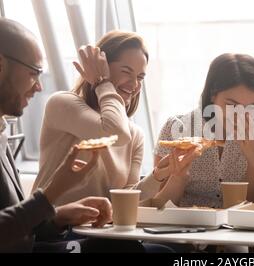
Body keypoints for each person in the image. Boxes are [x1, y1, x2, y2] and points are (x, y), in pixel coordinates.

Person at [0, 17, 110, 252]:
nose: (39, 86)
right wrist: (52, 193)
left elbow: (15, 226)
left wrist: (59, 216)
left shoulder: (2, 131)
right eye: (33, 72)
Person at [32, 30, 165, 205]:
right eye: (126, 71)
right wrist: (102, 82)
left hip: (98, 230)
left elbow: (127, 201)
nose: (134, 84)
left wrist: (159, 175)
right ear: (101, 67)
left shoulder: (135, 134)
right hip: (53, 229)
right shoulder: (62, 104)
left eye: (140, 77)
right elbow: (115, 133)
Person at [153, 53, 254, 209]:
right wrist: (178, 177)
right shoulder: (177, 128)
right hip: (184, 227)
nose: (241, 115)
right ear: (212, 95)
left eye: (252, 106)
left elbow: (253, 205)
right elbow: (158, 206)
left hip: (236, 228)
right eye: (232, 105)